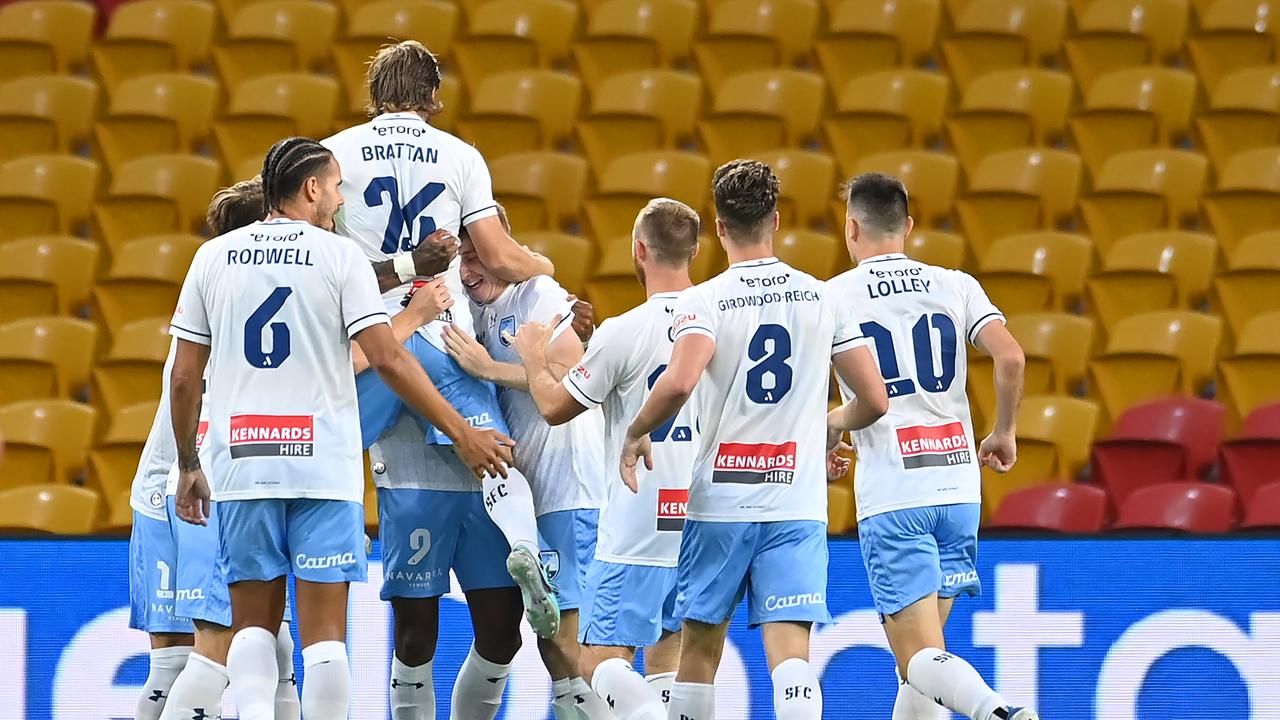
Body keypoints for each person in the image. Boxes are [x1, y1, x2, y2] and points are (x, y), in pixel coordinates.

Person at [169, 137, 512, 720]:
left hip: (242, 461)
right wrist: (460, 430)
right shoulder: (339, 257)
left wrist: (188, 464)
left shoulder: (213, 257)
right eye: (334, 185)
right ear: (310, 189)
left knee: (251, 631)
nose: (339, 196)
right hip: (320, 463)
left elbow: (183, 378)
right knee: (324, 641)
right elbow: (388, 359)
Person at [619, 160, 890, 720]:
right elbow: (875, 400)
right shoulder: (822, 298)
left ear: (718, 227)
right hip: (796, 503)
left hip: (719, 504)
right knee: (791, 658)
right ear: (777, 219)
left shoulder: (706, 301)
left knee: (698, 654)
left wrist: (636, 431)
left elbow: (679, 381)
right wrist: (830, 428)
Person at [826, 173, 1035, 720]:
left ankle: (999, 712)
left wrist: (830, 429)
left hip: (896, 491)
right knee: (925, 664)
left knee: (917, 657)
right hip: (958, 488)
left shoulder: (834, 297)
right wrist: (1004, 431)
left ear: (851, 228)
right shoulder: (956, 284)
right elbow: (1011, 357)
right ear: (909, 226)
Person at [512, 198, 703, 720]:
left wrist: (532, 356)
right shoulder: (718, 324)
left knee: (597, 661)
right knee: (669, 654)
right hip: (702, 515)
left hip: (637, 519)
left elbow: (554, 407)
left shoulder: (627, 329)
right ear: (696, 251)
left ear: (638, 251)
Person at [441, 216, 612, 720]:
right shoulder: (468, 304)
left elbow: (566, 375)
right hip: (525, 492)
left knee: (568, 643)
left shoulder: (537, 294)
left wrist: (486, 367)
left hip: (568, 484)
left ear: (503, 251)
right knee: (551, 645)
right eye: (462, 259)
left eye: (477, 257)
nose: (468, 271)